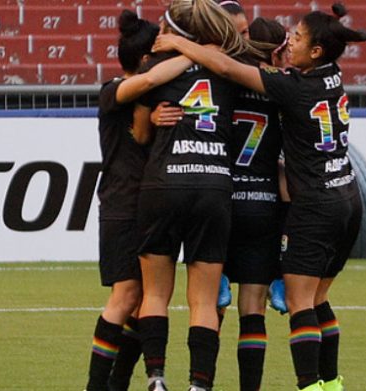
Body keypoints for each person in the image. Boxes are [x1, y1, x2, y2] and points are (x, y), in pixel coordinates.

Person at [152, 3, 366, 390]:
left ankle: (301, 386)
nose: (291, 45)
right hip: (339, 195)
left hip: (246, 199)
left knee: (226, 303)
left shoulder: (265, 87)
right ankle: (329, 382)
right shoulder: (330, 77)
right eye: (286, 42)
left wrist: (178, 43)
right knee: (297, 303)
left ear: (316, 50)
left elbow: (222, 69)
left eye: (298, 39)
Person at [130, 1, 265, 390]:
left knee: (155, 292)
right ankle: (199, 385)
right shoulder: (230, 68)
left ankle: (155, 379)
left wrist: (156, 120)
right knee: (204, 301)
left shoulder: (155, 67)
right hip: (213, 185)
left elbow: (139, 135)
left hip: (164, 183)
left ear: (176, 32)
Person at [86, 10, 190, 391]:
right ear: (146, 58)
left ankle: (118, 383)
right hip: (121, 205)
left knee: (146, 298)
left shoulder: (150, 96)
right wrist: (194, 53)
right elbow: (143, 123)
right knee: (127, 294)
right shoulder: (115, 89)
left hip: (148, 204)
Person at [223, 17, 289, 391]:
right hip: (263, 204)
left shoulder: (226, 83)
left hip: (223, 203)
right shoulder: (284, 91)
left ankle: (202, 383)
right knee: (252, 311)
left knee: (210, 309)